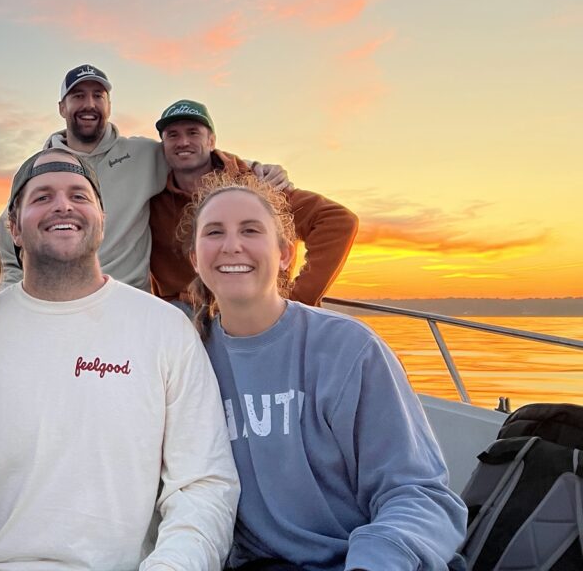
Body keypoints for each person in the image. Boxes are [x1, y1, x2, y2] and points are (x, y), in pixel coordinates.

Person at [0, 149, 240, 570]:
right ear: (13, 227)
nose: (63, 206)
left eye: (79, 196)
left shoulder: (164, 329)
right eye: (42, 197)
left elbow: (204, 483)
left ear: (102, 218)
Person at [183, 173, 467, 571]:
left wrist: (375, 561)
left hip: (365, 559)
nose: (232, 246)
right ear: (195, 258)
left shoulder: (347, 349)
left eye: (250, 230)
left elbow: (418, 494)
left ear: (285, 254)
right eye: (214, 232)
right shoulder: (186, 357)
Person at [0, 66, 288, 291]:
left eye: (98, 96)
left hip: (128, 299)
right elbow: (7, 236)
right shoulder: (40, 168)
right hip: (58, 299)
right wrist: (14, 290)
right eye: (78, 96)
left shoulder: (143, 154)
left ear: (109, 105)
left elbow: (192, 153)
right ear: (62, 107)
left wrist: (254, 167)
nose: (89, 104)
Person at [150, 99, 358, 307]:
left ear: (211, 141)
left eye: (193, 132)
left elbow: (337, 221)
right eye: (172, 135)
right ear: (163, 145)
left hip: (256, 311)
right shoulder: (150, 196)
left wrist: (298, 299)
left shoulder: (255, 186)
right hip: (184, 312)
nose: (183, 141)